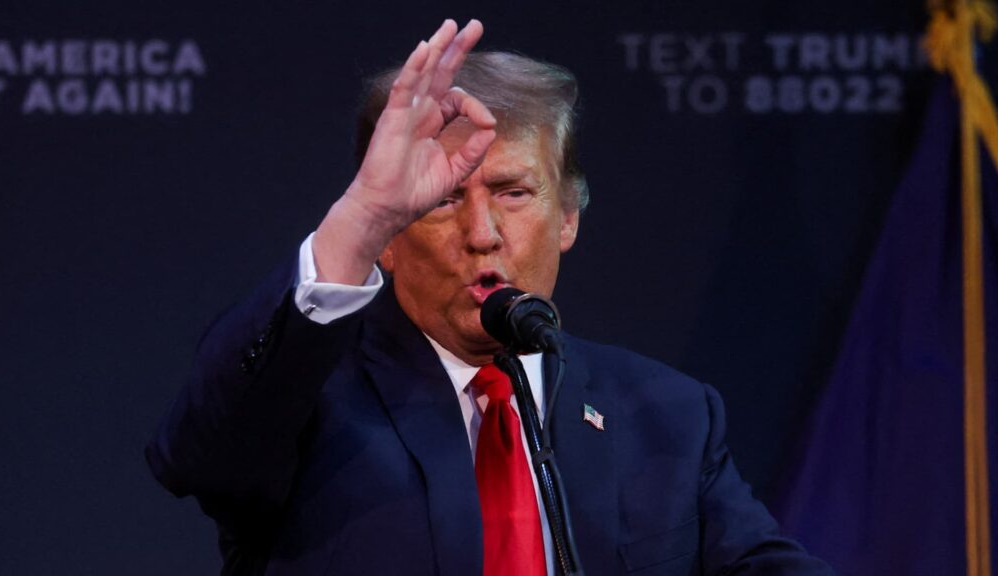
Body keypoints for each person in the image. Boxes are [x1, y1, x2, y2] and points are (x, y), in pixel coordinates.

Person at [147, 19, 833, 576]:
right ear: (389, 234)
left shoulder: (668, 418)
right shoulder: (309, 401)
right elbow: (196, 452)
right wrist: (358, 216)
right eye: (443, 199)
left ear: (567, 218)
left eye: (513, 192)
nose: (483, 234)